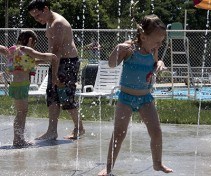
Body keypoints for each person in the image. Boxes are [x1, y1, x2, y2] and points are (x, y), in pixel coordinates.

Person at [98, 14, 173, 176]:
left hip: (145, 98)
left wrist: (160, 63)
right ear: (144, 36)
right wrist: (117, 49)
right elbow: (111, 64)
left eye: (161, 41)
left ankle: (157, 163)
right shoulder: (129, 49)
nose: (159, 45)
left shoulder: (152, 50)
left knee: (156, 131)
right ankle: (108, 167)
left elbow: (154, 65)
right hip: (126, 98)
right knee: (119, 133)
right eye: (157, 41)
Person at [27, 0, 85, 140]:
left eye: (38, 15)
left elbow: (57, 51)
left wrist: (54, 76)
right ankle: (52, 131)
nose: (37, 19)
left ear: (45, 9)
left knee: (66, 98)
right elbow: (52, 52)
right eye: (34, 17)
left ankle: (79, 128)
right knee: (52, 97)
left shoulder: (57, 23)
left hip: (67, 63)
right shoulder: (49, 22)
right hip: (58, 61)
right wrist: (39, 60)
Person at [0, 30, 59, 147]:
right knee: (21, 113)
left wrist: (44, 60)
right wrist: (52, 56)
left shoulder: (15, 50)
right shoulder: (26, 49)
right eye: (34, 43)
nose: (34, 46)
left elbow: (31, 61)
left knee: (21, 112)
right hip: (21, 86)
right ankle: (18, 140)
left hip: (17, 86)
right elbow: (40, 55)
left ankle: (18, 138)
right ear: (30, 40)